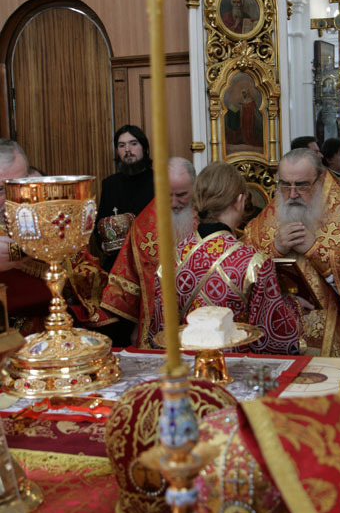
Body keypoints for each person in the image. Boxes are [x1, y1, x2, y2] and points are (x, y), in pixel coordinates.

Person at [243, 148, 340, 358]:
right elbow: (241, 279)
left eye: (301, 185)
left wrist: (316, 251)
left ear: (319, 182)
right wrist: (274, 250)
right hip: (276, 342)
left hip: (336, 345)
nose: (292, 194)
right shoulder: (258, 228)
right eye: (285, 185)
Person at [170, 161, 303, 354]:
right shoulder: (254, 263)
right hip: (234, 367)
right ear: (239, 200)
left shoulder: (173, 257)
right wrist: (291, 304)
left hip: (188, 367)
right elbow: (274, 342)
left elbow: (160, 332)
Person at [0, 139, 108, 332]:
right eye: (1, 190)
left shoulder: (51, 221)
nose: (10, 199)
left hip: (51, 329)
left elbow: (90, 275)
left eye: (19, 186)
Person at [101, 157, 195, 348]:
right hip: (156, 324)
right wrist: (137, 325)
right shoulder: (143, 226)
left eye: (182, 195)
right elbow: (129, 279)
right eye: (167, 195)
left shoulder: (208, 216)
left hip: (200, 318)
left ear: (194, 187)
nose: (174, 203)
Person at [95, 125, 155, 271]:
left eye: (133, 144)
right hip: (118, 263)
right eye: (121, 145)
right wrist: (104, 245)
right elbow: (100, 225)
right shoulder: (110, 184)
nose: (127, 150)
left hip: (151, 260)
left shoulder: (159, 181)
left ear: (144, 148)